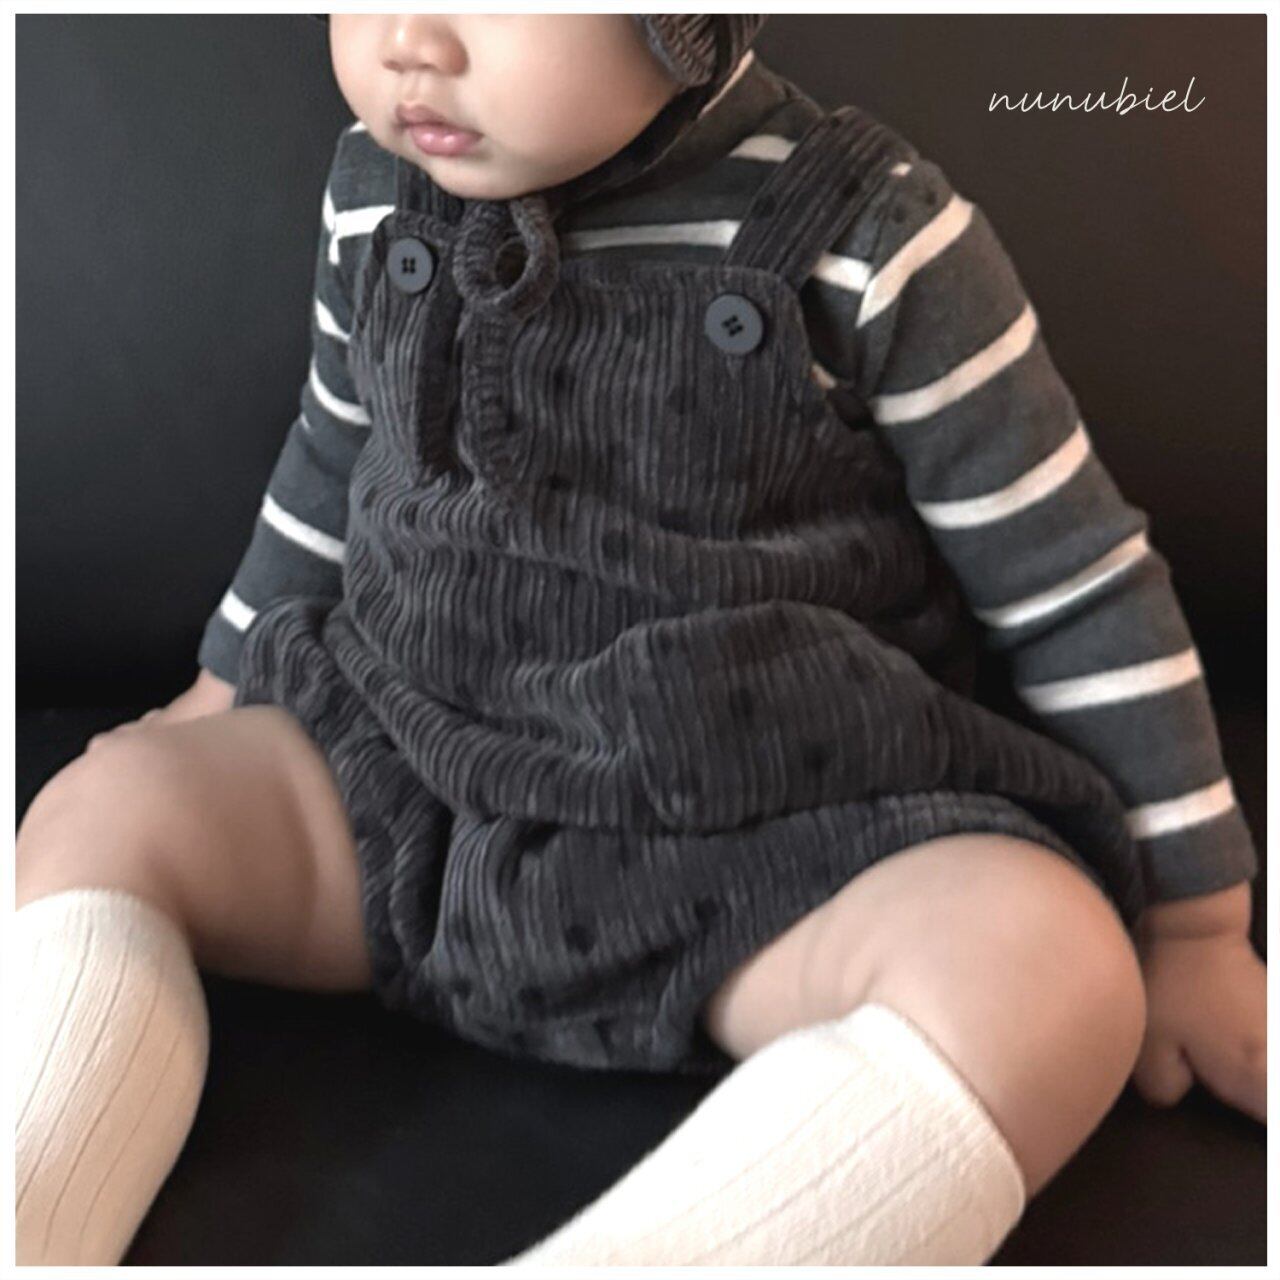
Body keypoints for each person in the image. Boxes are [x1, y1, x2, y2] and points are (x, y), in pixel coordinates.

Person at [14, 13, 1265, 1267]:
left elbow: (1071, 584)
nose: (410, 41)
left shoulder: (874, 236)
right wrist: (219, 684)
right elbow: (332, 456)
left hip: (774, 840)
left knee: (1048, 971)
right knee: (104, 802)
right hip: (402, 791)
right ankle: (33, 1211)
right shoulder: (371, 195)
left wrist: (1195, 925)